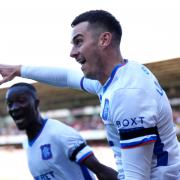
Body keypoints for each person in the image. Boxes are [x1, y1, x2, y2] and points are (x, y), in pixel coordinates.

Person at [0, 10, 180, 179]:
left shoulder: (127, 94)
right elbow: (67, 77)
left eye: (78, 42)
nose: (72, 53)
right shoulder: (120, 76)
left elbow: (136, 177)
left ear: (104, 40)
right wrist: (19, 70)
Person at [5, 82, 118, 180]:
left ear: (36, 104)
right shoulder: (27, 145)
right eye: (10, 104)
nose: (14, 108)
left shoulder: (59, 133)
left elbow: (101, 171)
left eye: (21, 101)